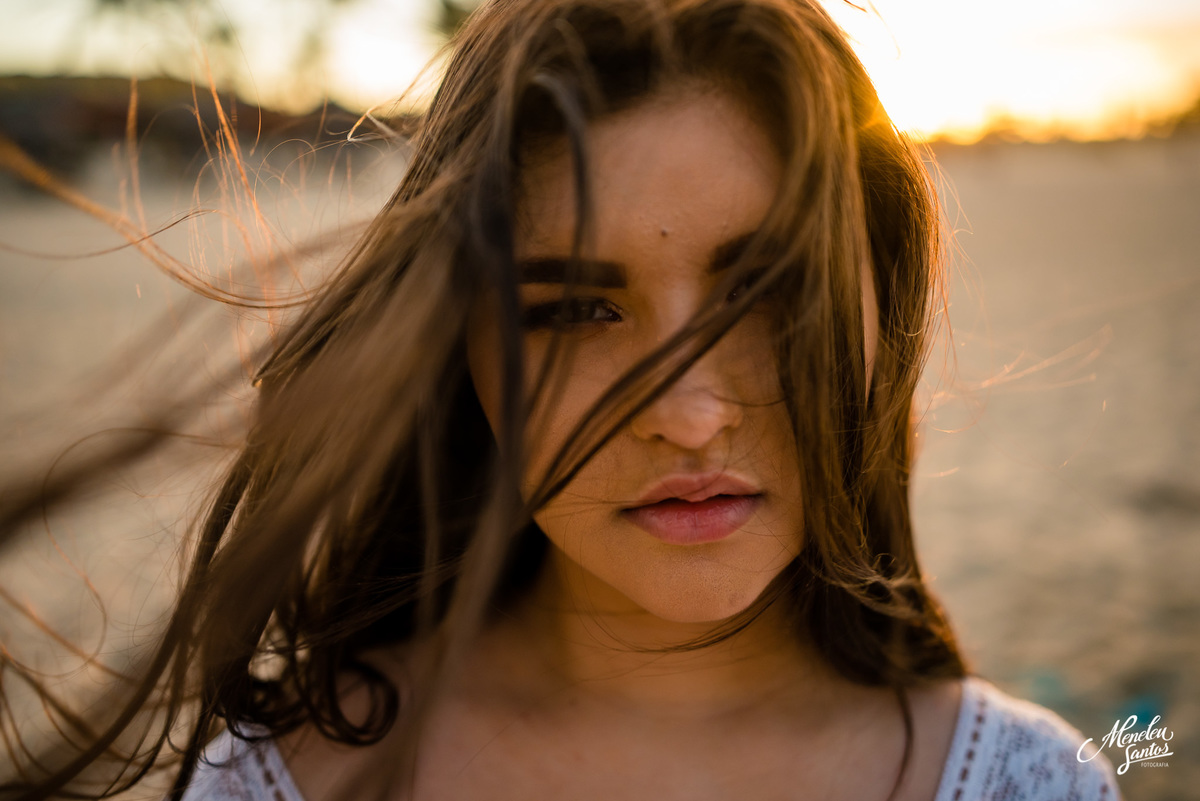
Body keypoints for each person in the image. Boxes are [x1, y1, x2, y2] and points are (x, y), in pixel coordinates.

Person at [1, 0, 1122, 799]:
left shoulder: (1032, 783)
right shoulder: (284, 779)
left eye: (774, 292)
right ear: (464, 350)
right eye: (574, 310)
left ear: (890, 309)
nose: (688, 415)